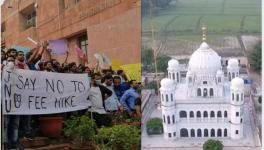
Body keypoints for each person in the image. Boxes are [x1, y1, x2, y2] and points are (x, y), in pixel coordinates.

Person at [3, 61, 24, 150]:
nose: (12, 69)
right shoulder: (2, 78)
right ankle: (5, 142)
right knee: (5, 124)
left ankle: (15, 141)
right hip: (6, 106)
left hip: (16, 106)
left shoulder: (19, 78)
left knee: (15, 124)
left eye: (13, 67)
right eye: (9, 67)